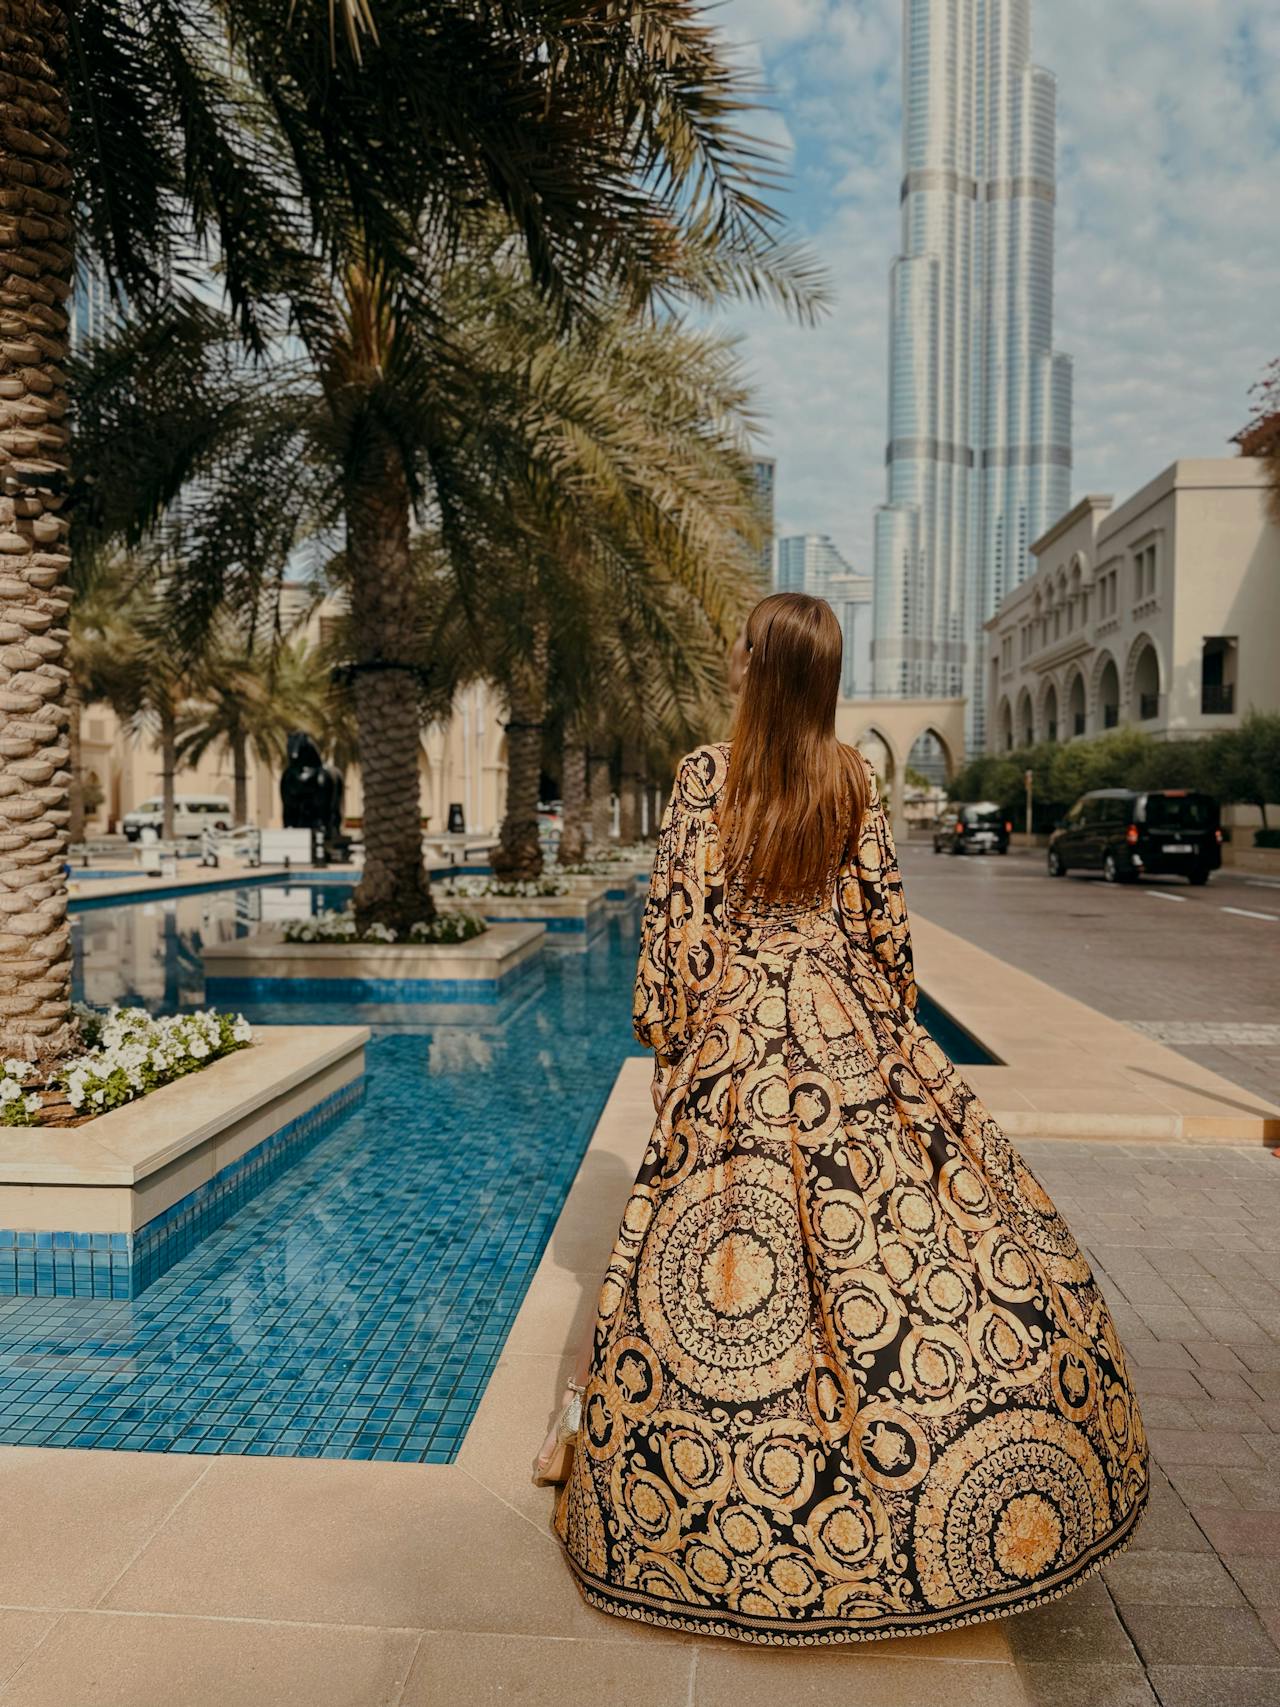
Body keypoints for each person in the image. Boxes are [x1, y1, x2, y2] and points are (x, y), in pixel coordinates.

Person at [536, 592, 1148, 1645]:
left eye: (740, 644)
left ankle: (713, 1511)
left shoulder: (706, 774)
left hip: (736, 1028)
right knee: (903, 1243)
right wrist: (883, 1029)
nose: (731, 655)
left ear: (757, 664)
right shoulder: (851, 776)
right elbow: (884, 930)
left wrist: (673, 1044)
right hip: (841, 1016)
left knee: (719, 1261)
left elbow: (680, 929)